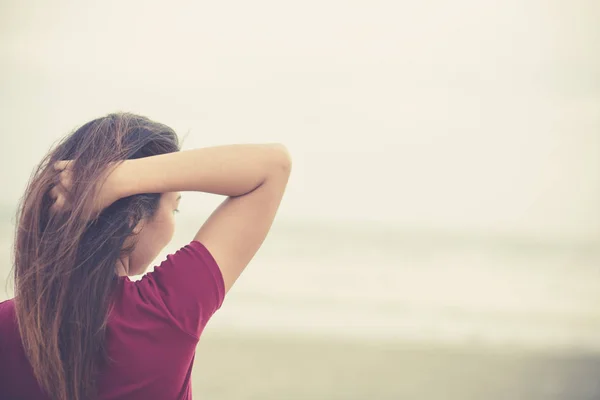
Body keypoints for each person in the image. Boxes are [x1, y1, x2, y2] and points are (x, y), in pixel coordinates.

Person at [0, 112, 292, 400]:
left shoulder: (7, 324)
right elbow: (274, 165)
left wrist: (96, 179)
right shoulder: (163, 314)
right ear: (136, 219)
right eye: (173, 207)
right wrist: (118, 179)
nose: (172, 222)